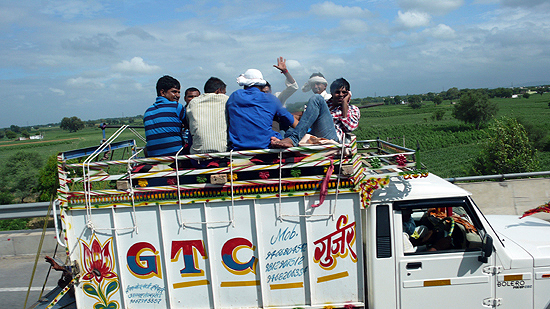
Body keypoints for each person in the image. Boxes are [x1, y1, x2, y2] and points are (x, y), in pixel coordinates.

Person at [271, 78, 359, 148]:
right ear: (332, 93)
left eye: (344, 92)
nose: (340, 95)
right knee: (286, 124)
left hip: (333, 137)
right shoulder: (325, 104)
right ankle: (281, 144)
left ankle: (293, 139)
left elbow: (349, 128)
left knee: (317, 98)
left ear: (348, 94)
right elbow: (308, 118)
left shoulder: (353, 109)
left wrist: (344, 104)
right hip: (315, 133)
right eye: (337, 92)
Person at [226, 69, 298, 150]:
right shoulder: (271, 99)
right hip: (266, 146)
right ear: (262, 86)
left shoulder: (234, 96)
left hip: (238, 148)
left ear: (244, 84)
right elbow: (293, 122)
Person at [144, 75, 185, 157]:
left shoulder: (148, 112)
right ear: (162, 92)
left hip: (153, 158)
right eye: (174, 92)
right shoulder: (177, 107)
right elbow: (190, 125)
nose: (178, 95)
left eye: (179, 92)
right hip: (175, 157)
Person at [186, 77, 229, 154]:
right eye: (224, 92)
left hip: (197, 154)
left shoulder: (193, 103)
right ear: (219, 91)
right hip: (223, 152)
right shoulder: (225, 99)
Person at [182, 87, 201, 152]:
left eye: (196, 97)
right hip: (183, 146)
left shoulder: (203, 113)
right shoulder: (181, 112)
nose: (193, 99)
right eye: (190, 97)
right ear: (185, 98)